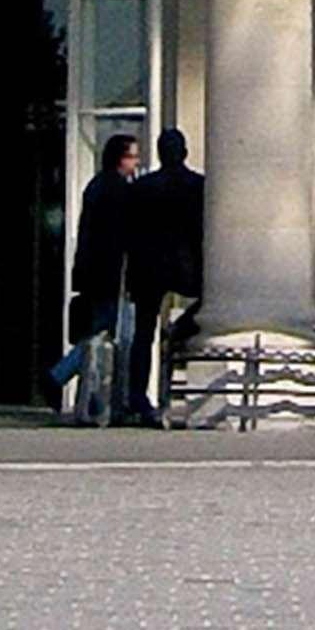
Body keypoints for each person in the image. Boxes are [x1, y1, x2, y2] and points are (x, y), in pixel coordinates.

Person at [125, 127, 205, 428]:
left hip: (149, 266)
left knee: (143, 335)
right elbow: (202, 230)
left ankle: (138, 395)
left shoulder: (142, 187)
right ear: (183, 153)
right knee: (212, 300)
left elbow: (130, 233)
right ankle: (177, 333)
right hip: (185, 265)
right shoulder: (197, 185)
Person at [59, 134, 140, 419]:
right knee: (106, 335)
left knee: (98, 333)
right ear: (121, 158)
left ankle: (81, 388)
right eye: (132, 156)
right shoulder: (119, 190)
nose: (136, 162)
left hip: (93, 271)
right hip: (111, 273)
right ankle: (65, 378)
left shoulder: (96, 186)